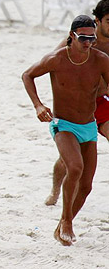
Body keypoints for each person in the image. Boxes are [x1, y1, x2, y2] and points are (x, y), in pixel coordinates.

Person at [22, 15, 109, 246]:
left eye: (91, 38)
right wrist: (38, 105)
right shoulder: (57, 59)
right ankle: (67, 222)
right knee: (75, 166)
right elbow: (27, 75)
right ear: (71, 36)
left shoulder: (100, 60)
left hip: (88, 125)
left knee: (87, 186)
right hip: (63, 124)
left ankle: (63, 223)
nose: (88, 43)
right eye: (83, 38)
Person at [45, 0, 109, 207]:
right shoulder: (80, 39)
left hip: (103, 102)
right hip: (80, 105)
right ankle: (56, 190)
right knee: (69, 160)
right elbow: (53, 61)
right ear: (97, 21)